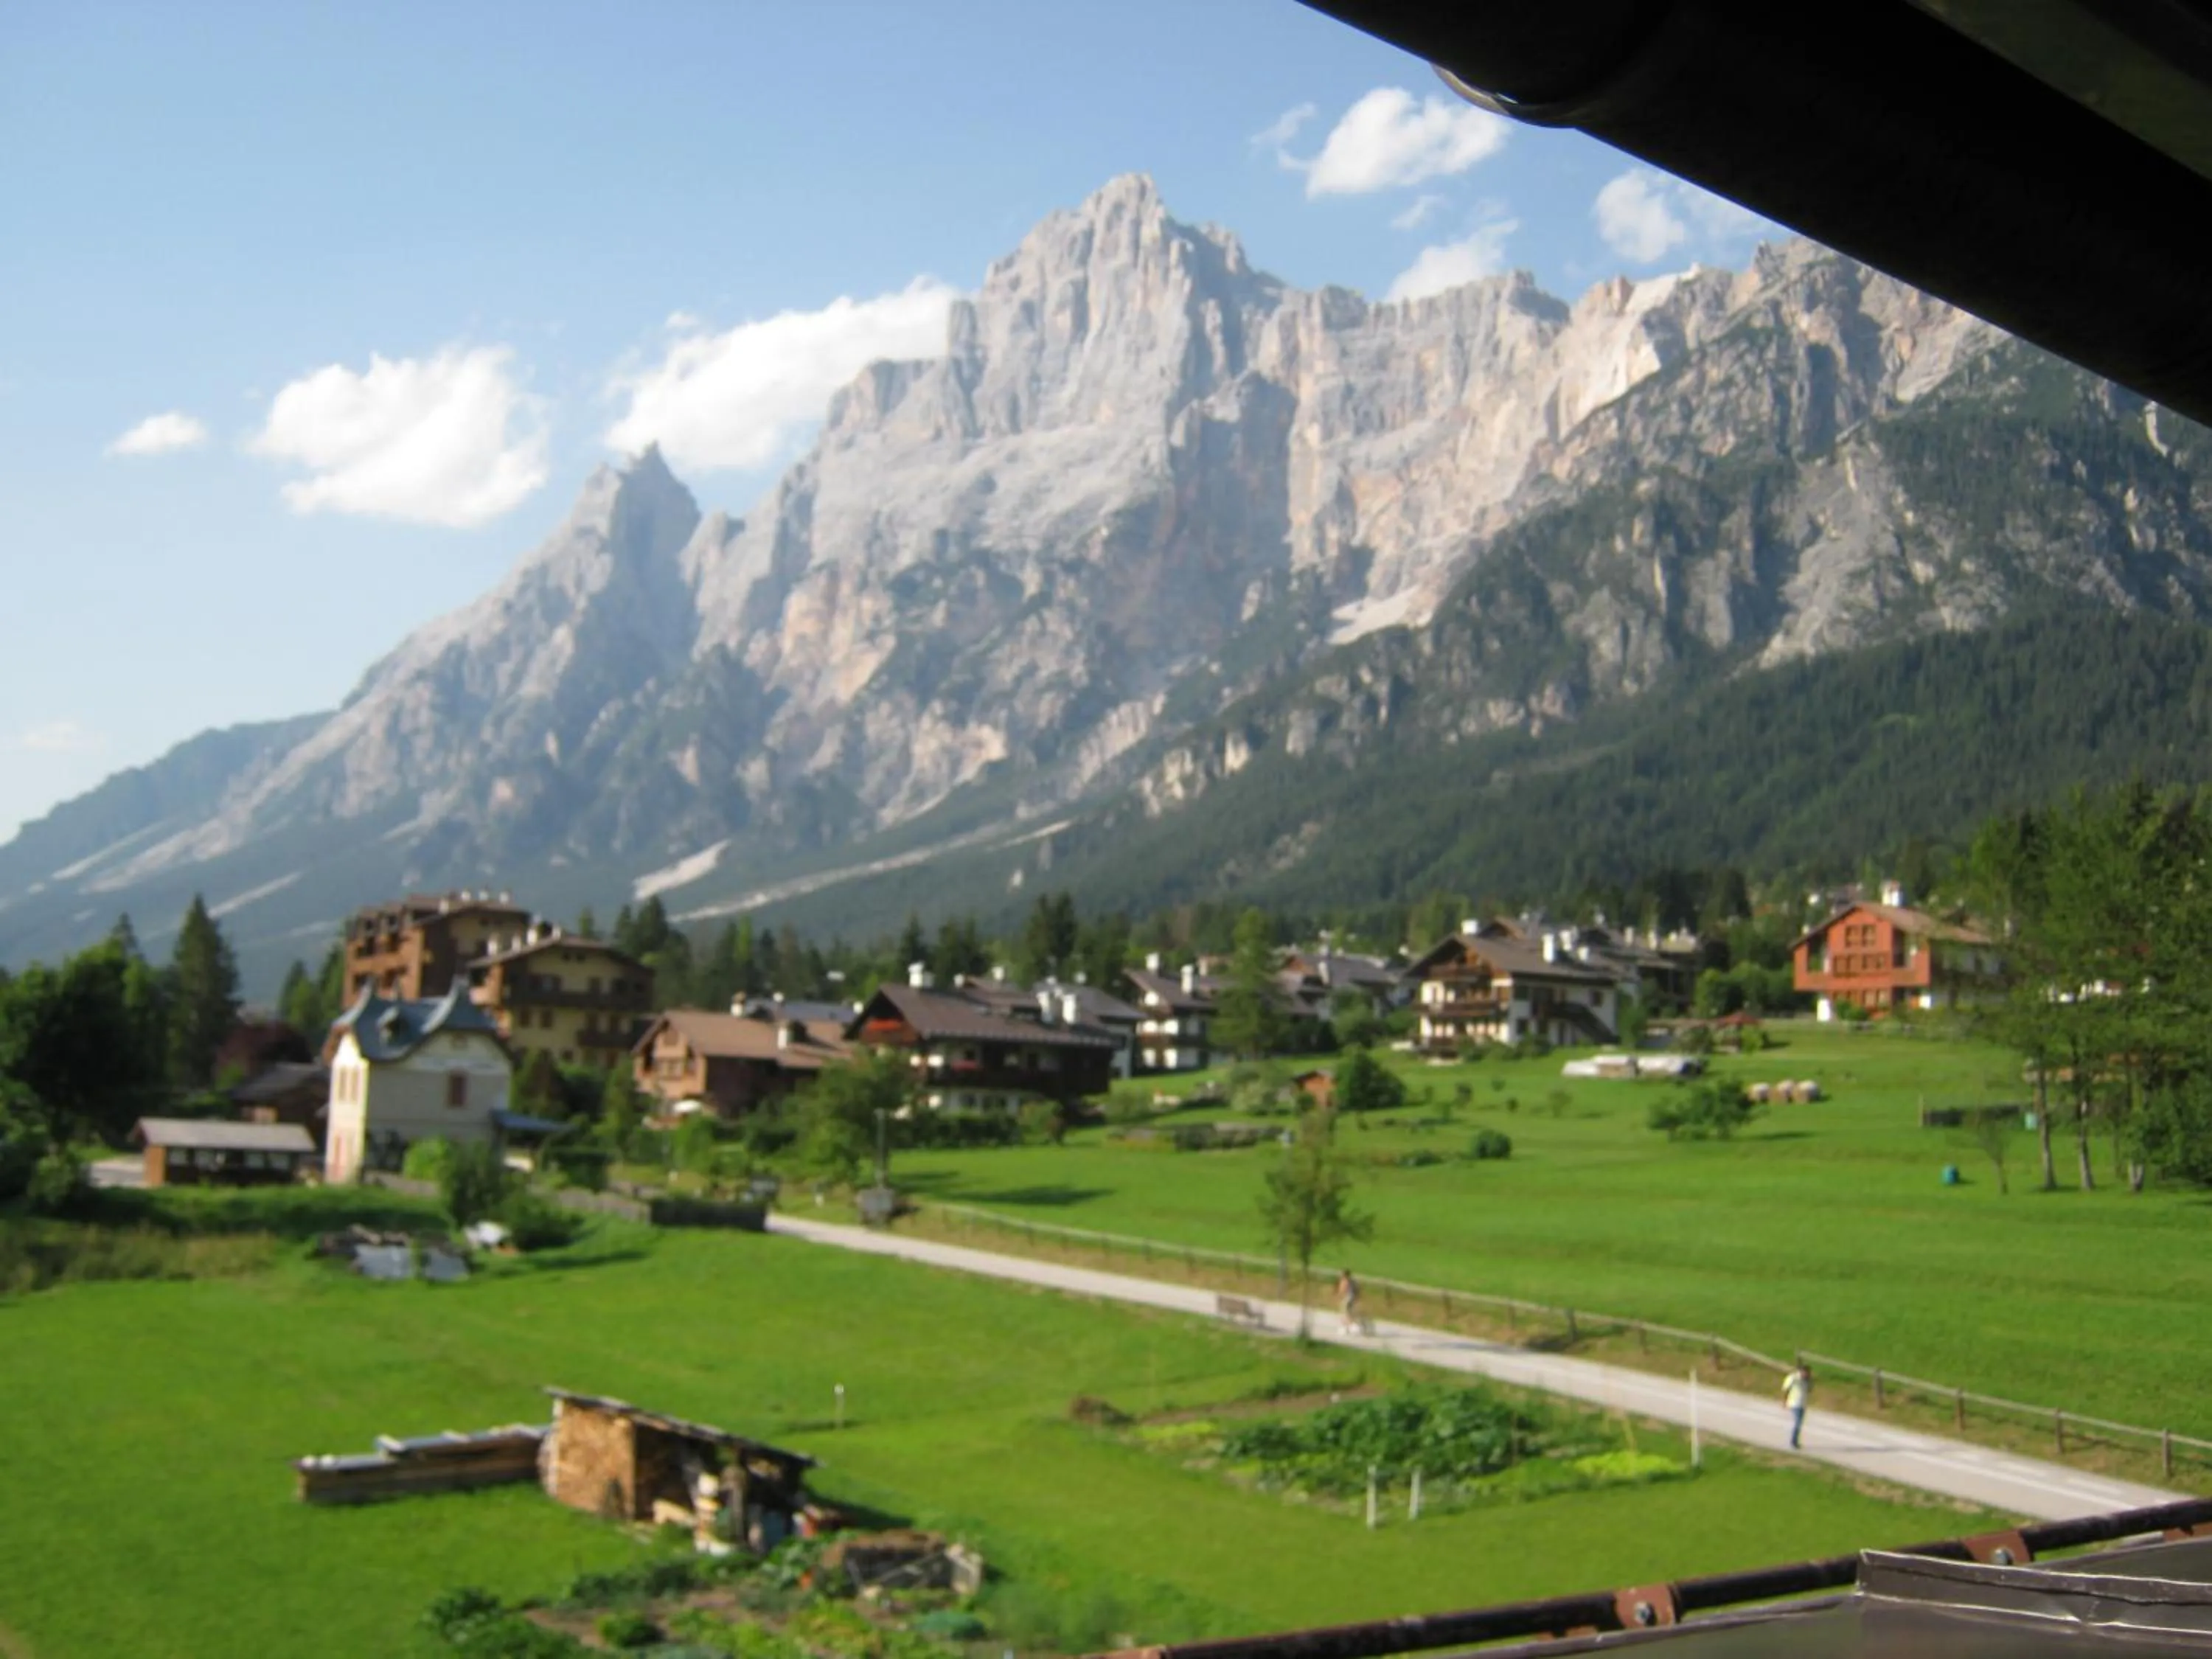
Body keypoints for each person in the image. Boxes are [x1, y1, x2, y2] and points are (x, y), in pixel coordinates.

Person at [1781, 1360, 1812, 1449]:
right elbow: (1786, 1389)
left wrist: (1809, 1381)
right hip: (1794, 1403)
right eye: (1806, 1373)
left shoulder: (1806, 1381)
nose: (1807, 1375)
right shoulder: (1794, 1378)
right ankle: (1794, 1442)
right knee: (1798, 1422)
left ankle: (1795, 1441)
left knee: (1800, 1423)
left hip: (1803, 1403)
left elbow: (1809, 1390)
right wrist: (1784, 1400)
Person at [1337, 1268, 1363, 1335]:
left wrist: (1340, 1295)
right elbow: (1357, 1289)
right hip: (1352, 1297)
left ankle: (1351, 1326)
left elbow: (1343, 1290)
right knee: (1349, 1312)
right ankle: (1347, 1327)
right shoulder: (1353, 1281)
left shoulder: (1345, 1281)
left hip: (1347, 1298)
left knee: (1345, 1313)